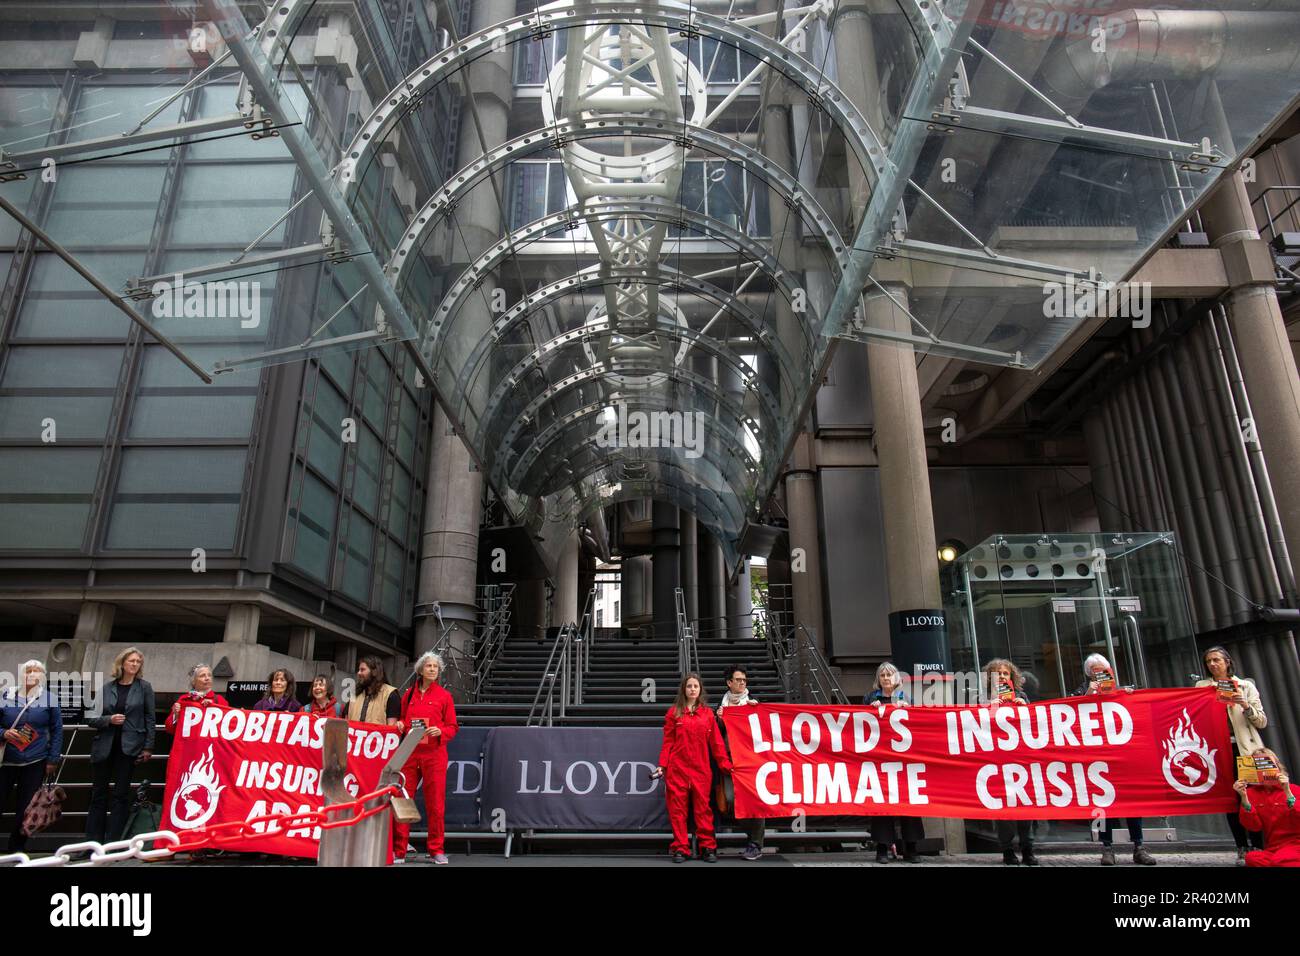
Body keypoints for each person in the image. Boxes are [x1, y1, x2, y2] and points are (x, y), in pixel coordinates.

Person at [1073, 653, 1154, 866]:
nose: (1099, 673)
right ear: (1089, 673)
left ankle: (1139, 846)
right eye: (1095, 670)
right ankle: (1106, 847)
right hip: (1097, 757)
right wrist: (1089, 693)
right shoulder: (1082, 691)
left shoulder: (1118, 690)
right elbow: (1072, 711)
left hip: (1122, 755)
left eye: (1103, 669)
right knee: (1102, 804)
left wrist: (1128, 696)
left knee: (1132, 801)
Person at [1196, 646, 1268, 863]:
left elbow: (1261, 721)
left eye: (1216, 660)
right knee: (1231, 800)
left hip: (1245, 751)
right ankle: (1241, 846)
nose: (1212, 664)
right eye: (1208, 661)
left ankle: (1258, 845)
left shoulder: (1246, 686)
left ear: (1227, 662)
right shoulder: (1201, 687)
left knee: (1251, 797)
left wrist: (1244, 704)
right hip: (1219, 751)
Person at [654, 672, 732, 863]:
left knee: (703, 810)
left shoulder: (707, 714)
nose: (692, 689)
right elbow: (668, 742)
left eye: (695, 686)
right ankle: (681, 848)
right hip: (677, 770)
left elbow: (716, 743)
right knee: (677, 811)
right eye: (689, 686)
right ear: (684, 689)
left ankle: (708, 847)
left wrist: (725, 764)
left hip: (701, 770)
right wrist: (662, 765)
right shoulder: (673, 713)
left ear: (700, 690)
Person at [392, 652, 458, 865]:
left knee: (435, 804)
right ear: (420, 670)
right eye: (428, 666)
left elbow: (453, 726)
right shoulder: (409, 694)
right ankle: (399, 850)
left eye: (435, 667)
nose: (432, 669)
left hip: (434, 754)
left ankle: (436, 849)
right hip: (410, 752)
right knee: (403, 799)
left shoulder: (444, 696)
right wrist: (400, 724)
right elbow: (403, 718)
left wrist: (440, 731)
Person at [86, 647, 155, 843]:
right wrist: (109, 719)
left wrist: (148, 747)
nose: (135, 664)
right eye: (131, 661)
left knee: (120, 795)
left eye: (138, 662)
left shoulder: (144, 688)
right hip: (104, 747)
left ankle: (114, 843)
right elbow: (90, 717)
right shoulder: (107, 688)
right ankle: (92, 842)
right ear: (122, 663)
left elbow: (150, 718)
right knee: (98, 795)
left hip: (129, 748)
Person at [979, 658, 1038, 865]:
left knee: (1025, 806)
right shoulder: (983, 698)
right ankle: (1007, 850)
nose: (1002, 677)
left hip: (1020, 759)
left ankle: (1028, 848)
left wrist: (1024, 708)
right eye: (998, 674)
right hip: (997, 761)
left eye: (1005, 673)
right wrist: (990, 706)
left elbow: (1034, 725)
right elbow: (976, 725)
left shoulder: (1022, 696)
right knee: (1004, 809)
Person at [864, 662, 923, 864]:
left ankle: (911, 848)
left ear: (896, 678)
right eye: (882, 675)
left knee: (909, 803)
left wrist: (910, 710)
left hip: (904, 760)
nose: (886, 678)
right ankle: (882, 849)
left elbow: (918, 724)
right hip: (880, 759)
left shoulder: (906, 698)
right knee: (882, 804)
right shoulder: (870, 699)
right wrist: (869, 711)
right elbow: (860, 724)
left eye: (889, 675)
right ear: (878, 679)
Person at [1, 660, 63, 853]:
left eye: (37, 671)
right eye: (29, 671)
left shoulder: (49, 698)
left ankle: (16, 848)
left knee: (26, 807)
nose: (32, 674)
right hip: (6, 760)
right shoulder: (6, 695)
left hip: (36, 760)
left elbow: (57, 730)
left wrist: (53, 758)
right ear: (22, 674)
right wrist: (3, 733)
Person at [716, 664, 764, 861]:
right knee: (731, 800)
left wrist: (757, 713)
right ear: (729, 683)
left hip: (751, 760)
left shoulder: (754, 703)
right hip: (730, 760)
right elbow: (717, 735)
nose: (742, 683)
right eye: (738, 680)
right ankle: (752, 838)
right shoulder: (721, 706)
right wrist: (719, 720)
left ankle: (755, 843)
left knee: (755, 801)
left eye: (744, 680)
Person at [1233, 748, 1300, 867]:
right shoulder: (1251, 794)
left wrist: (1287, 790)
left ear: (1278, 767)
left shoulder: (1294, 789)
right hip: (1273, 848)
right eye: (1258, 767)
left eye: (1267, 765)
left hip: (1296, 845)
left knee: (1280, 860)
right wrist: (1244, 797)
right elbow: (1254, 826)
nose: (1264, 771)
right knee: (1252, 858)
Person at [164, 663, 228, 733]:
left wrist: (215, 707)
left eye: (209, 675)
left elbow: (227, 727)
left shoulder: (219, 700)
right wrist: (176, 716)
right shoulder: (184, 699)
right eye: (202, 676)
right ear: (193, 681)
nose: (207, 678)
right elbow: (169, 729)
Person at [345, 657, 401, 725]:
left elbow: (392, 727)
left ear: (374, 672)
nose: (358, 673)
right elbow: (345, 723)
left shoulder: (390, 694)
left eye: (362, 670)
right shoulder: (354, 694)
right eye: (359, 670)